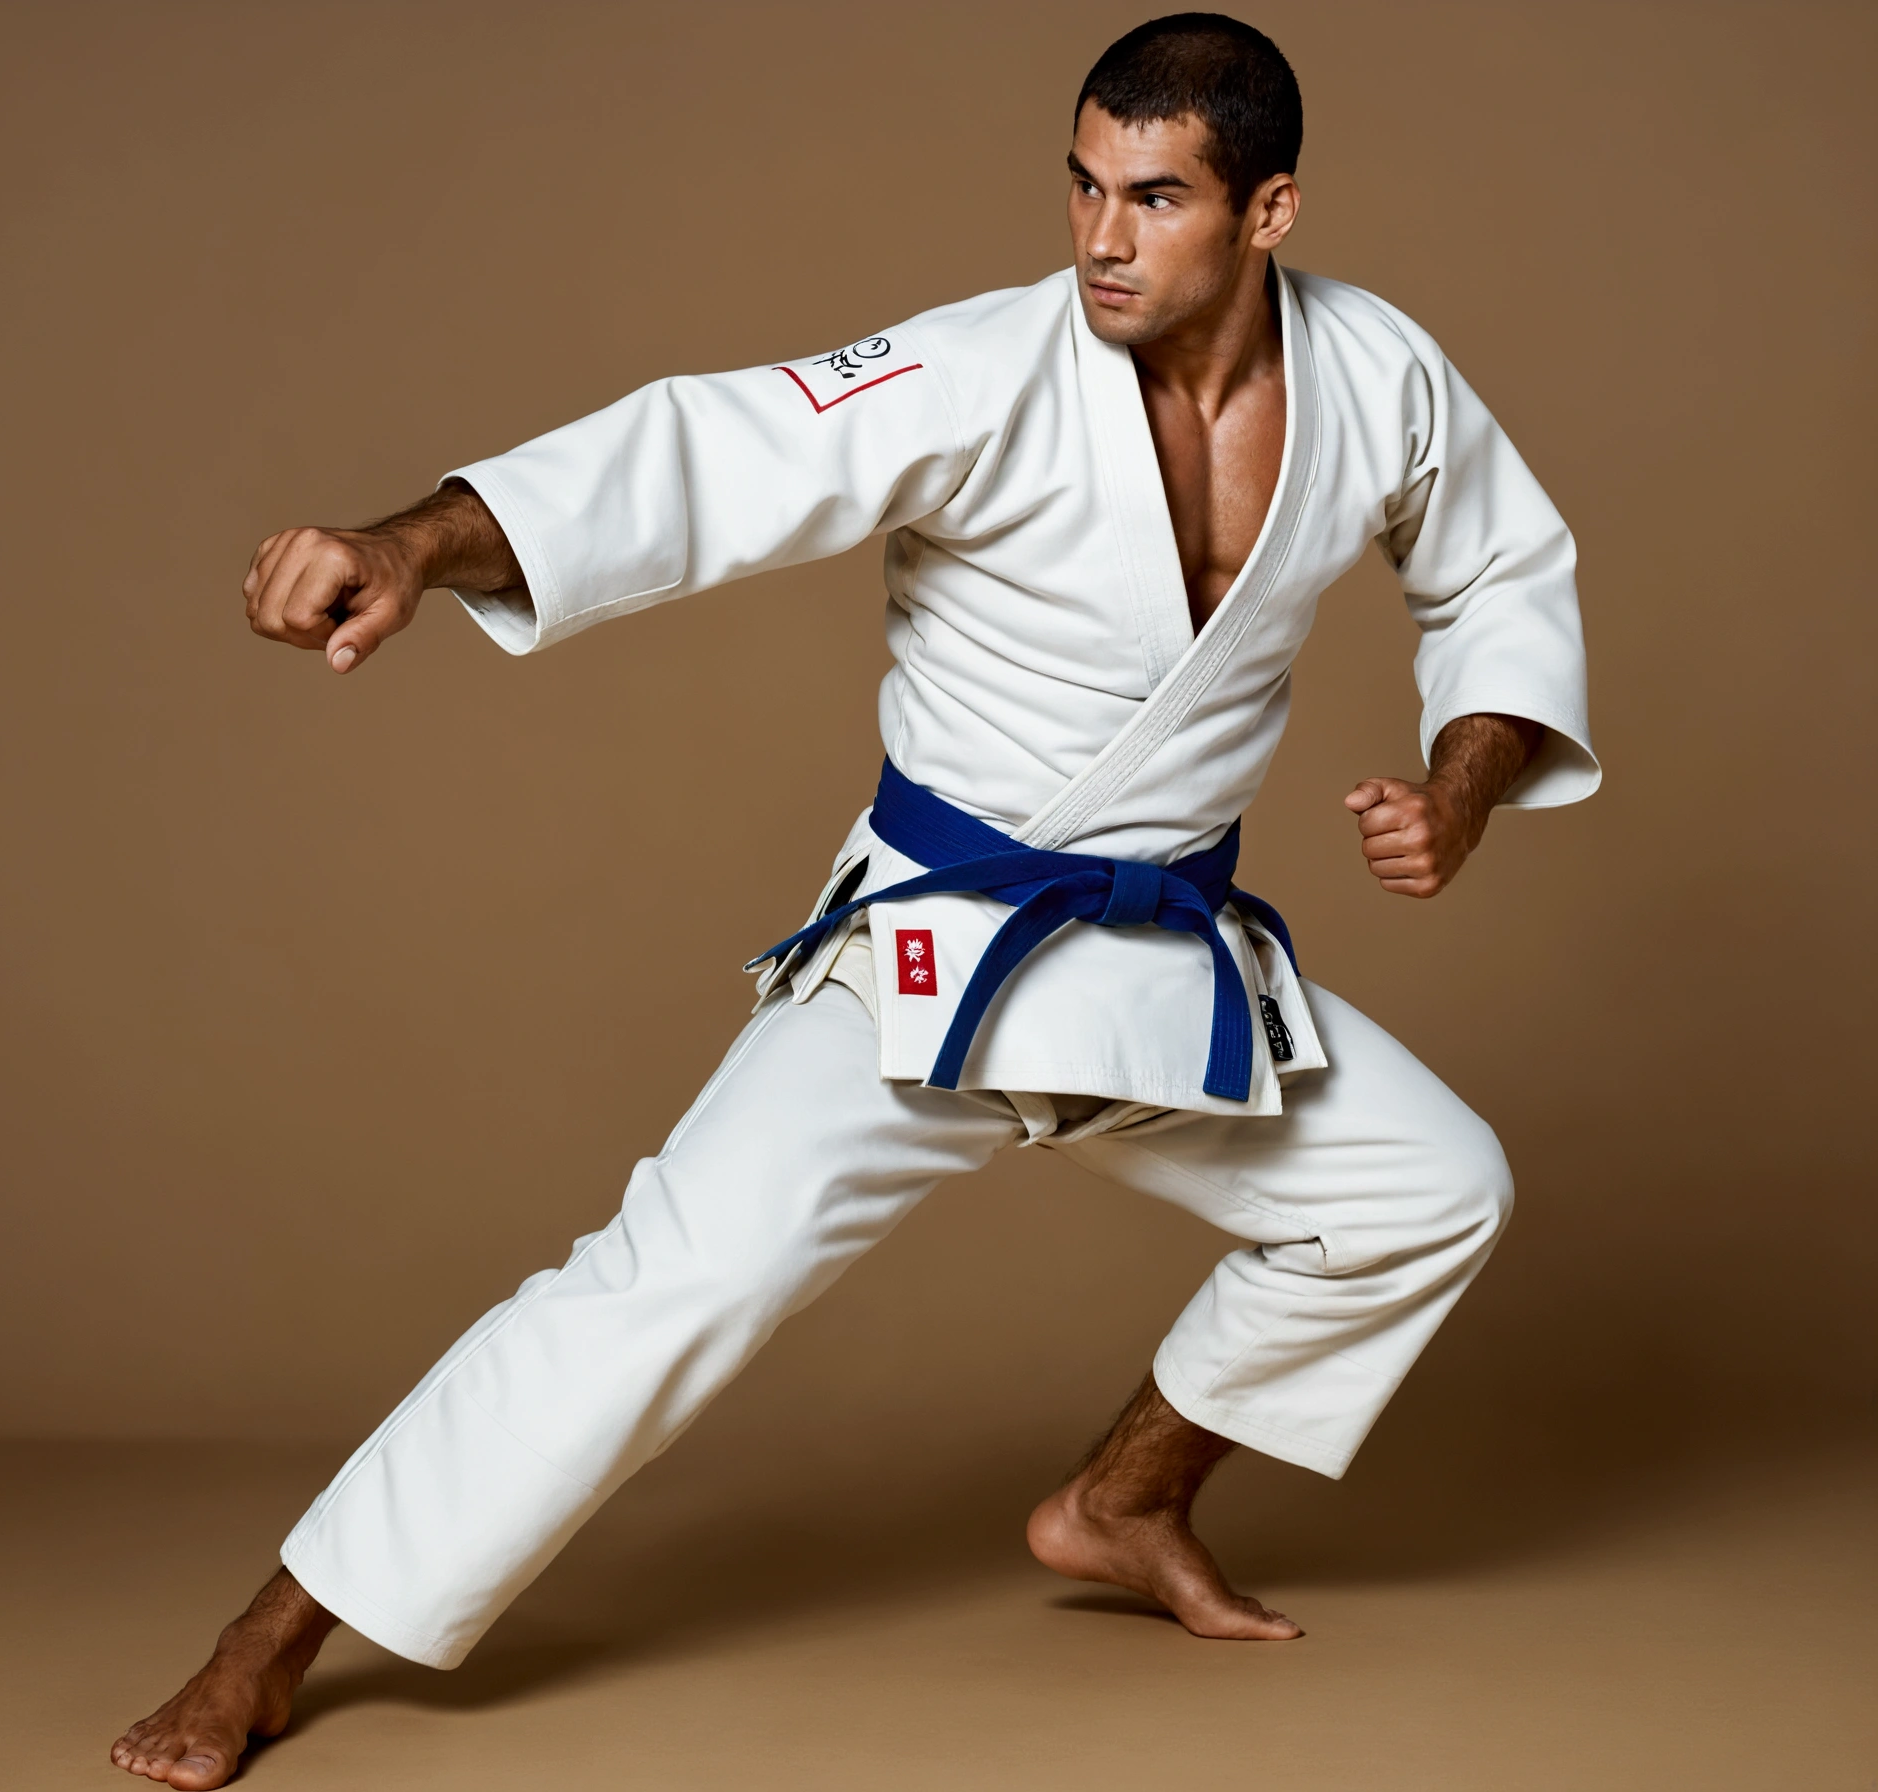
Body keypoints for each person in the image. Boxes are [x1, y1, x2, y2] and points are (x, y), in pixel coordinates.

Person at [113, 13, 1595, 1784]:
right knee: (662, 1293)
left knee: (1431, 1187)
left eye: (1157, 197)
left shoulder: (1378, 374)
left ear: (1268, 211)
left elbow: (1501, 569)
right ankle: (270, 1643)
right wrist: (410, 546)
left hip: (1161, 964)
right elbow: (699, 457)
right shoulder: (983, 372)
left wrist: (1460, 786)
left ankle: (1122, 1502)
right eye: (1080, 185)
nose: (1102, 239)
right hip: (928, 962)